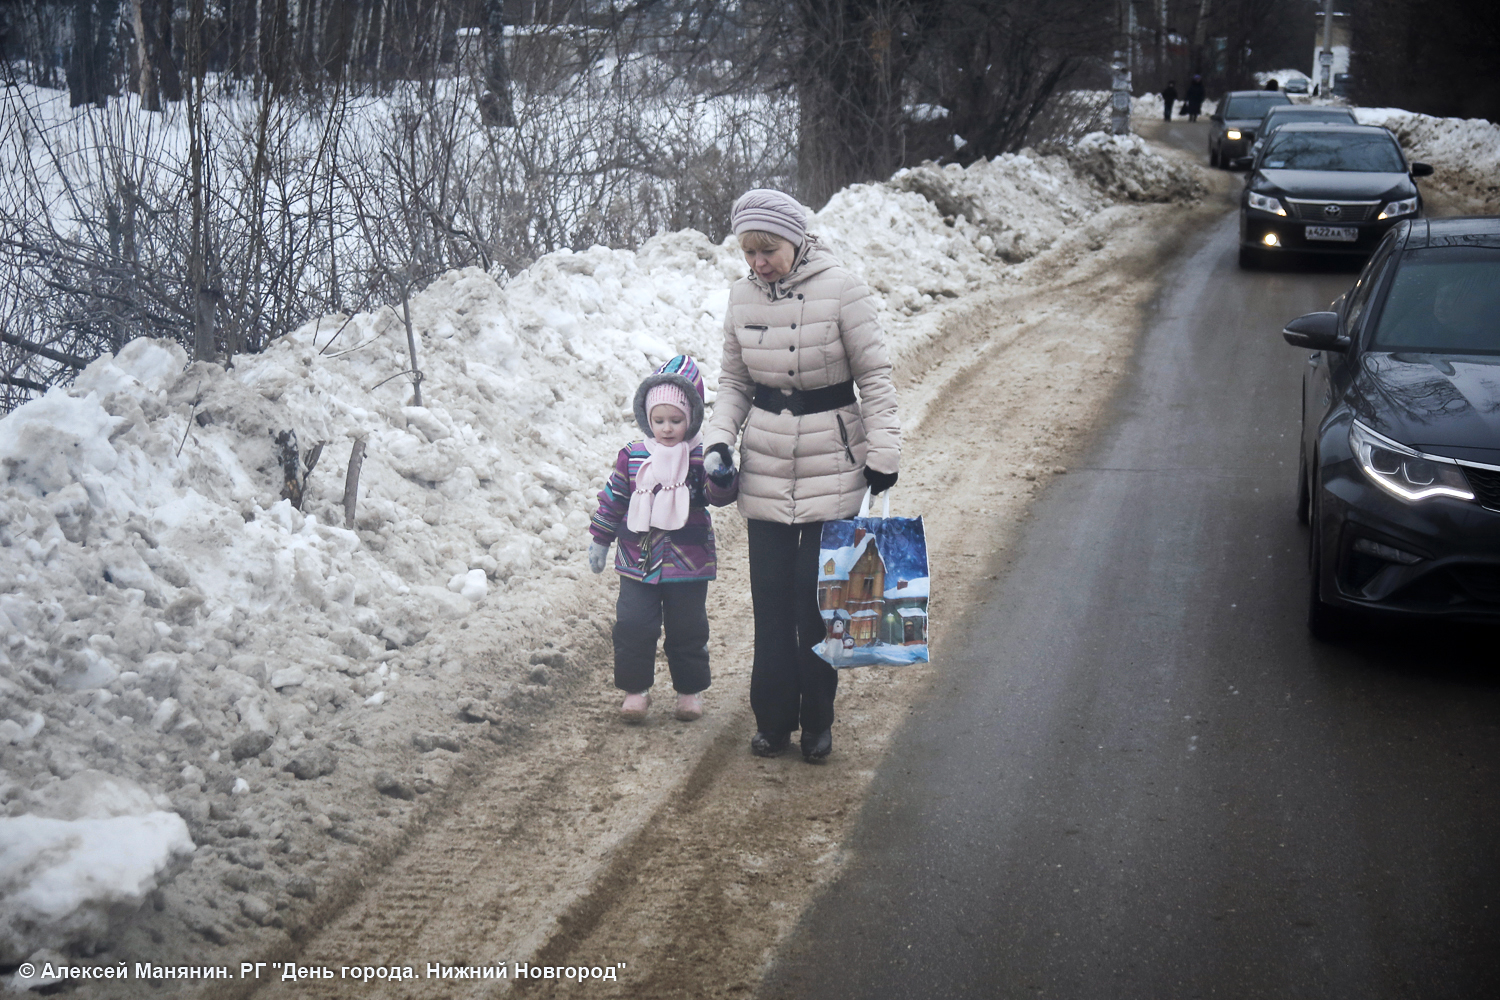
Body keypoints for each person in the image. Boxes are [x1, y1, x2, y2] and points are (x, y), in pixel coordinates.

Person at [703, 189, 901, 764]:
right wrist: (718, 442)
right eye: (749, 253)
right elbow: (735, 382)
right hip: (765, 465)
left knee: (814, 604)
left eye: (768, 250)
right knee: (768, 603)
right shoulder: (742, 297)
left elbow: (877, 380)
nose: (759, 263)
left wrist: (883, 454)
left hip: (832, 465)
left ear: (796, 241)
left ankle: (817, 722)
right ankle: (772, 721)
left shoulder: (844, 288)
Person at [588, 355, 737, 724]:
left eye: (676, 420)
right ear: (646, 418)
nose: (667, 429)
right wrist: (600, 539)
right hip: (638, 561)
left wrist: (720, 476)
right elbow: (614, 498)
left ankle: (689, 692)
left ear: (692, 420)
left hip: (688, 562)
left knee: (687, 629)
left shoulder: (700, 456)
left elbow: (716, 498)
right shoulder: (633, 456)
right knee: (633, 626)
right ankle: (635, 691)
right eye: (659, 420)